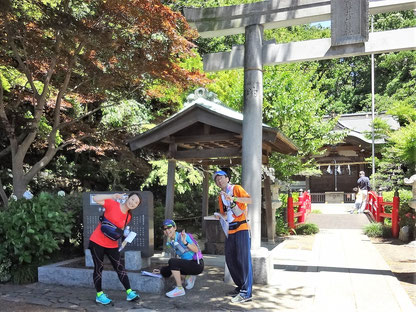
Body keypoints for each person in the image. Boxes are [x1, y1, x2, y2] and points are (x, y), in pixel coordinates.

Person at [89, 192, 142, 305]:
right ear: (128, 198)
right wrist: (111, 196)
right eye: (132, 199)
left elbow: (119, 231)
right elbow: (95, 198)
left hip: (112, 244)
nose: (133, 203)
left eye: (136, 202)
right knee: (99, 267)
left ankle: (129, 292)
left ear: (137, 206)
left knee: (119, 267)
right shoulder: (112, 204)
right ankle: (99, 295)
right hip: (97, 241)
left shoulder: (129, 216)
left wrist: (125, 239)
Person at [213, 169, 253, 303]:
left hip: (242, 227)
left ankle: (246, 293)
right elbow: (225, 213)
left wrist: (233, 198)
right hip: (230, 230)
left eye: (221, 177)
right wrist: (219, 216)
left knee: (243, 259)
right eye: (216, 179)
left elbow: (250, 200)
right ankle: (241, 286)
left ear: (227, 179)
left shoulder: (236, 188)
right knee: (230, 259)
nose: (219, 180)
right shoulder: (221, 196)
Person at [153, 219, 204, 298]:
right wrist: (162, 269)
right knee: (165, 270)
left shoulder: (183, 236)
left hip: (196, 264)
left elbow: (196, 250)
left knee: (172, 262)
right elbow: (175, 262)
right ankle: (188, 277)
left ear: (174, 227)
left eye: (169, 228)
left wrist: (185, 243)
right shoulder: (170, 242)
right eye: (164, 229)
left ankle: (180, 289)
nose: (167, 230)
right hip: (187, 264)